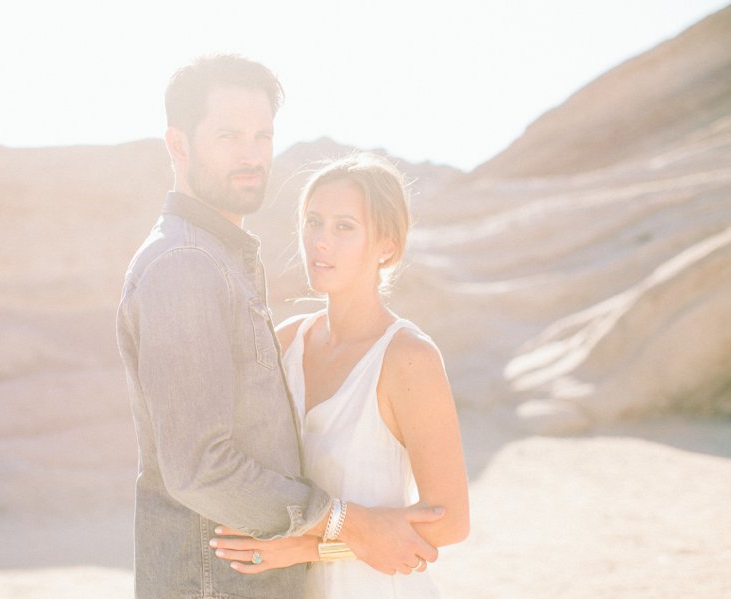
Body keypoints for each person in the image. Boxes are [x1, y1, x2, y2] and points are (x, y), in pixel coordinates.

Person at [116, 55, 447, 599]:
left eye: (261, 136)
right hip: (210, 584)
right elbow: (200, 468)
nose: (250, 155)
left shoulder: (221, 262)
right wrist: (348, 526)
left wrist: (317, 545)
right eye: (228, 135)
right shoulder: (186, 265)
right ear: (179, 145)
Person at [210, 152, 470, 598]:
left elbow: (449, 522)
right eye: (314, 222)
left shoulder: (408, 358)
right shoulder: (286, 341)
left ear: (386, 246)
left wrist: (307, 548)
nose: (320, 241)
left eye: (344, 227)